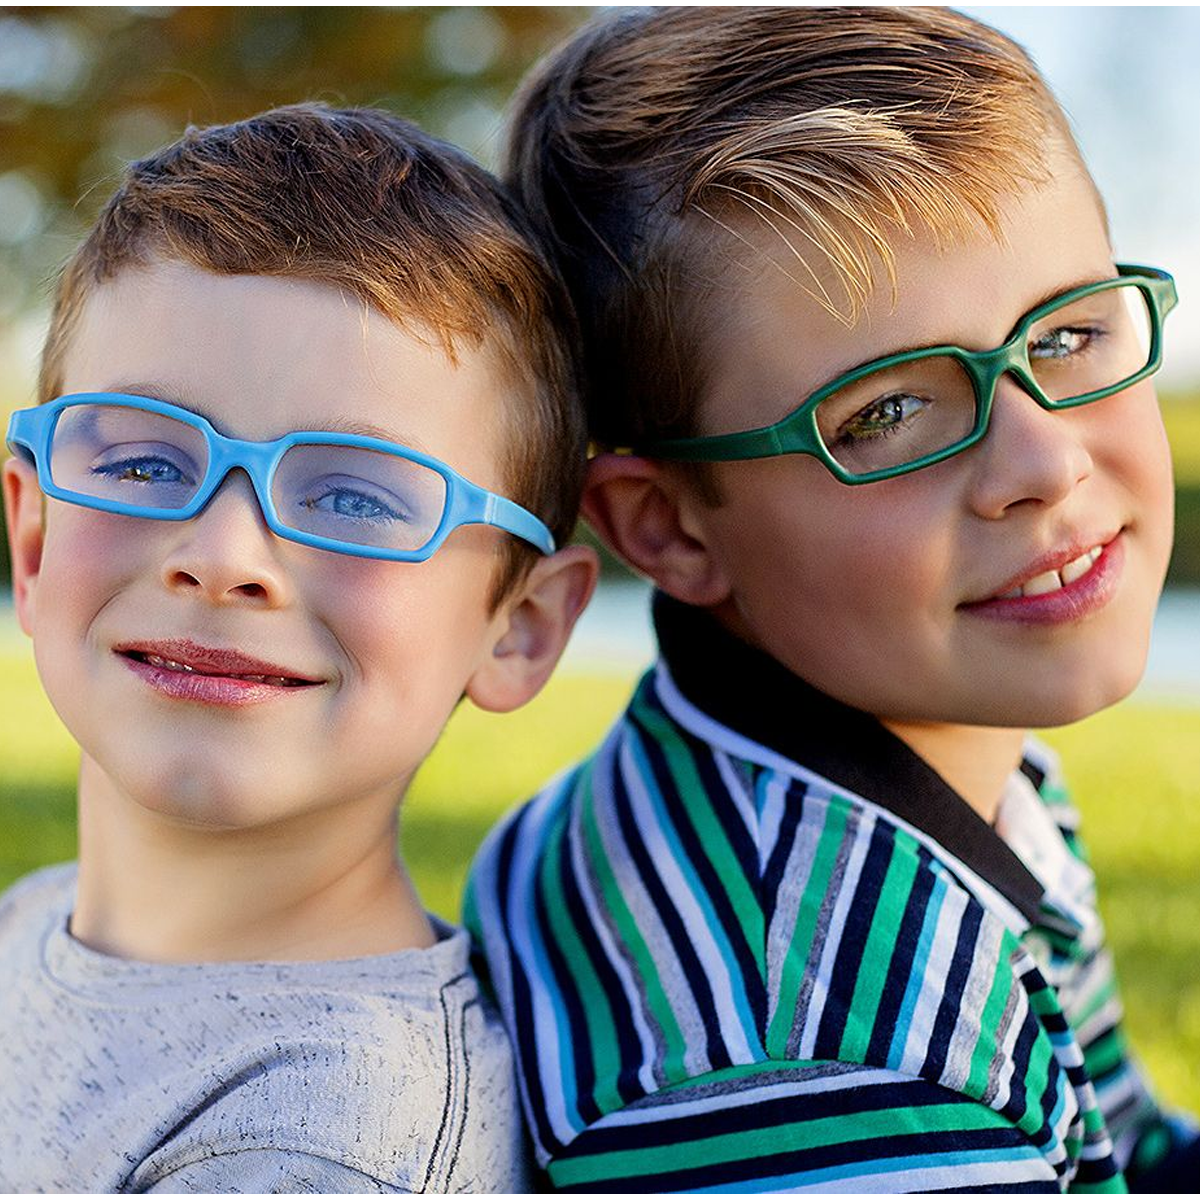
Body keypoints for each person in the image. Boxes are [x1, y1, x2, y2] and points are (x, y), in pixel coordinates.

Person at [465, 7, 1199, 1191]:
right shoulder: (818, 1070)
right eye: (889, 413)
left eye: (1066, 335)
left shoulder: (950, 756)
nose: (1046, 464)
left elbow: (1134, 1152)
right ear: (665, 526)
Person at [0, 103, 597, 1193]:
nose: (225, 556)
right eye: (140, 463)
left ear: (519, 629)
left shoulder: (320, 1147)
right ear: (33, 540)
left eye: (357, 495)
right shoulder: (35, 917)